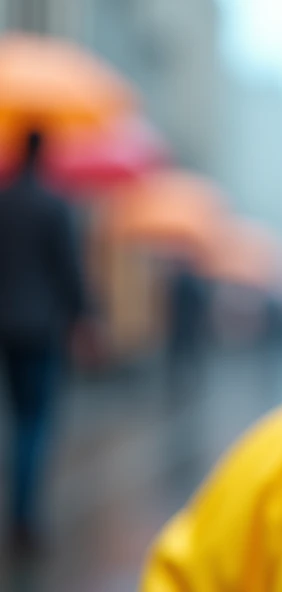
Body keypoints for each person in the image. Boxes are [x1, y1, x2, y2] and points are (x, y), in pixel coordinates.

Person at [0, 130, 86, 554]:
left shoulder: (4, 201)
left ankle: (18, 505)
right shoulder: (54, 206)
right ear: (44, 156)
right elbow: (69, 269)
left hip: (7, 326)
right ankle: (24, 516)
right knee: (35, 422)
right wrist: (84, 318)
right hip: (41, 327)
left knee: (16, 418)